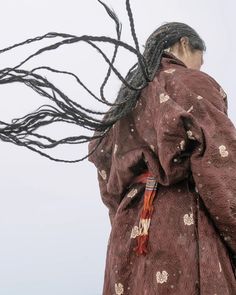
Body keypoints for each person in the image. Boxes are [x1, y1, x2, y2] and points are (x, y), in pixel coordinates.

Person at [88, 22, 236, 294]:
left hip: (128, 232)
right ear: (183, 44)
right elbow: (220, 161)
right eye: (198, 60)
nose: (198, 69)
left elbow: (107, 185)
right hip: (182, 221)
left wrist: (125, 223)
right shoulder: (190, 82)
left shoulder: (121, 107)